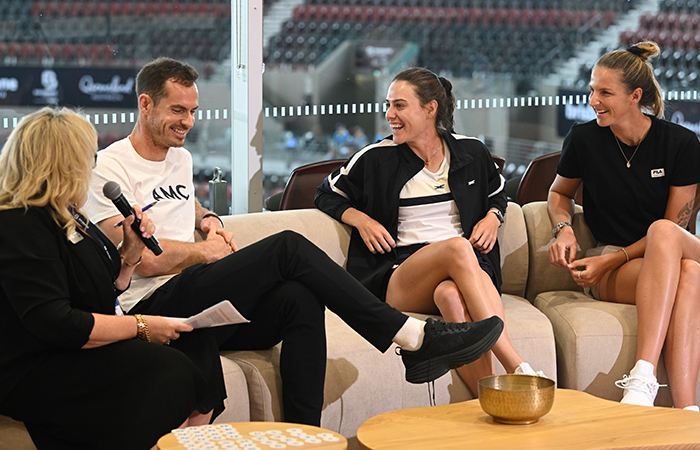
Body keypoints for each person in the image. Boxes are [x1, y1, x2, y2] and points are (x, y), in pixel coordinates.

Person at [84, 57, 505, 426]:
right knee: (286, 245)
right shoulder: (109, 168)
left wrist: (209, 220)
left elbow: (184, 204)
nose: (188, 122)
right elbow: (141, 263)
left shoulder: (180, 156)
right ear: (144, 104)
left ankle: (307, 435)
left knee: (300, 299)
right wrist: (204, 251)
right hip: (148, 308)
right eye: (178, 110)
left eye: (193, 111)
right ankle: (409, 336)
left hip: (201, 301)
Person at [0, 107, 224, 450]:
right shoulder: (19, 224)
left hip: (77, 343)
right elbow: (59, 323)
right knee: (169, 371)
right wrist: (141, 326)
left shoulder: (69, 214)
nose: (91, 169)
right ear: (63, 163)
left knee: (196, 343)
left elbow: (106, 289)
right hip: (39, 362)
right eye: (87, 158)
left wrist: (130, 253)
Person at [315, 67, 542, 397]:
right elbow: (325, 194)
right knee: (458, 248)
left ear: (430, 108)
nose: (389, 115)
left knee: (450, 295)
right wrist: (361, 220)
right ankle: (517, 366)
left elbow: (498, 194)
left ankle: (492, 400)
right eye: (389, 105)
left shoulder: (471, 152)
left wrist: (493, 216)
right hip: (402, 276)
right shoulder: (376, 157)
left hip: (466, 272)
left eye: (400, 106)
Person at [548, 41, 700, 410]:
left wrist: (613, 260)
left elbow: (674, 227)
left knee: (665, 233)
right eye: (591, 90)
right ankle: (686, 411)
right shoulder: (584, 139)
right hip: (628, 258)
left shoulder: (681, 143)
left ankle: (643, 373)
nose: (593, 100)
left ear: (635, 96)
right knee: (691, 275)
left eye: (605, 92)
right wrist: (563, 228)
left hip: (655, 249)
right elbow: (558, 194)